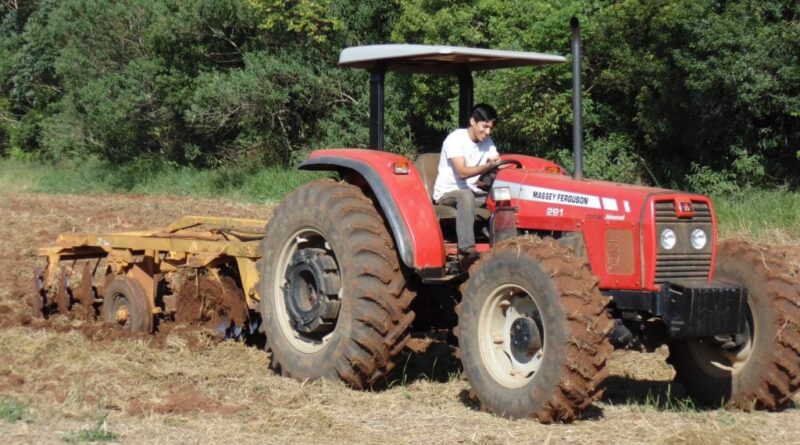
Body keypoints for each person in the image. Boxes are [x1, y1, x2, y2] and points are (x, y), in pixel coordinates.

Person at [432, 103, 501, 262]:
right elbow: (462, 172)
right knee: (465, 195)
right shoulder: (456, 139)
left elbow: (496, 162)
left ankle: (504, 243)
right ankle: (467, 249)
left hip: (473, 191)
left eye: (491, 128)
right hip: (449, 192)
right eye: (484, 127)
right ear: (473, 122)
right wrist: (486, 167)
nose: (488, 132)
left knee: (502, 196)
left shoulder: (487, 141)